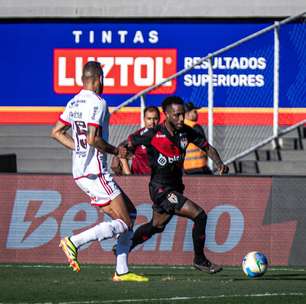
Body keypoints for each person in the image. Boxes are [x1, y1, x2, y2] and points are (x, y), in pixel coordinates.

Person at [50, 61, 148, 282]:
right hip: (95, 172)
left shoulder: (73, 102)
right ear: (99, 78)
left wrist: (78, 147)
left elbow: (56, 132)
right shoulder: (98, 102)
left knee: (129, 214)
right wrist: (117, 151)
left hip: (81, 171)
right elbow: (94, 139)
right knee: (125, 222)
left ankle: (122, 270)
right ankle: (74, 242)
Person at [127, 96, 229, 273]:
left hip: (175, 187)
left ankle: (125, 246)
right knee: (200, 215)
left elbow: (207, 147)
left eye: (182, 114)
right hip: (160, 189)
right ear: (166, 115)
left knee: (156, 226)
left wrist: (219, 163)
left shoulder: (186, 132)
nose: (181, 119)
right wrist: (121, 155)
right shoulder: (153, 133)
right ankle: (200, 260)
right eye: (177, 115)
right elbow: (128, 143)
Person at [111, 106, 160, 175]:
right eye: (149, 119)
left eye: (155, 119)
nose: (152, 122)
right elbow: (123, 149)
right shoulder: (136, 135)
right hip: (139, 179)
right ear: (144, 119)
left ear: (159, 119)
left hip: (159, 180)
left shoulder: (165, 135)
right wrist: (116, 157)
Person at [183, 102, 212, 175]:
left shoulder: (179, 127)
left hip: (186, 168)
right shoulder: (195, 127)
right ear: (187, 114)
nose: (197, 114)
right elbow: (205, 147)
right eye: (194, 112)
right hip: (199, 166)